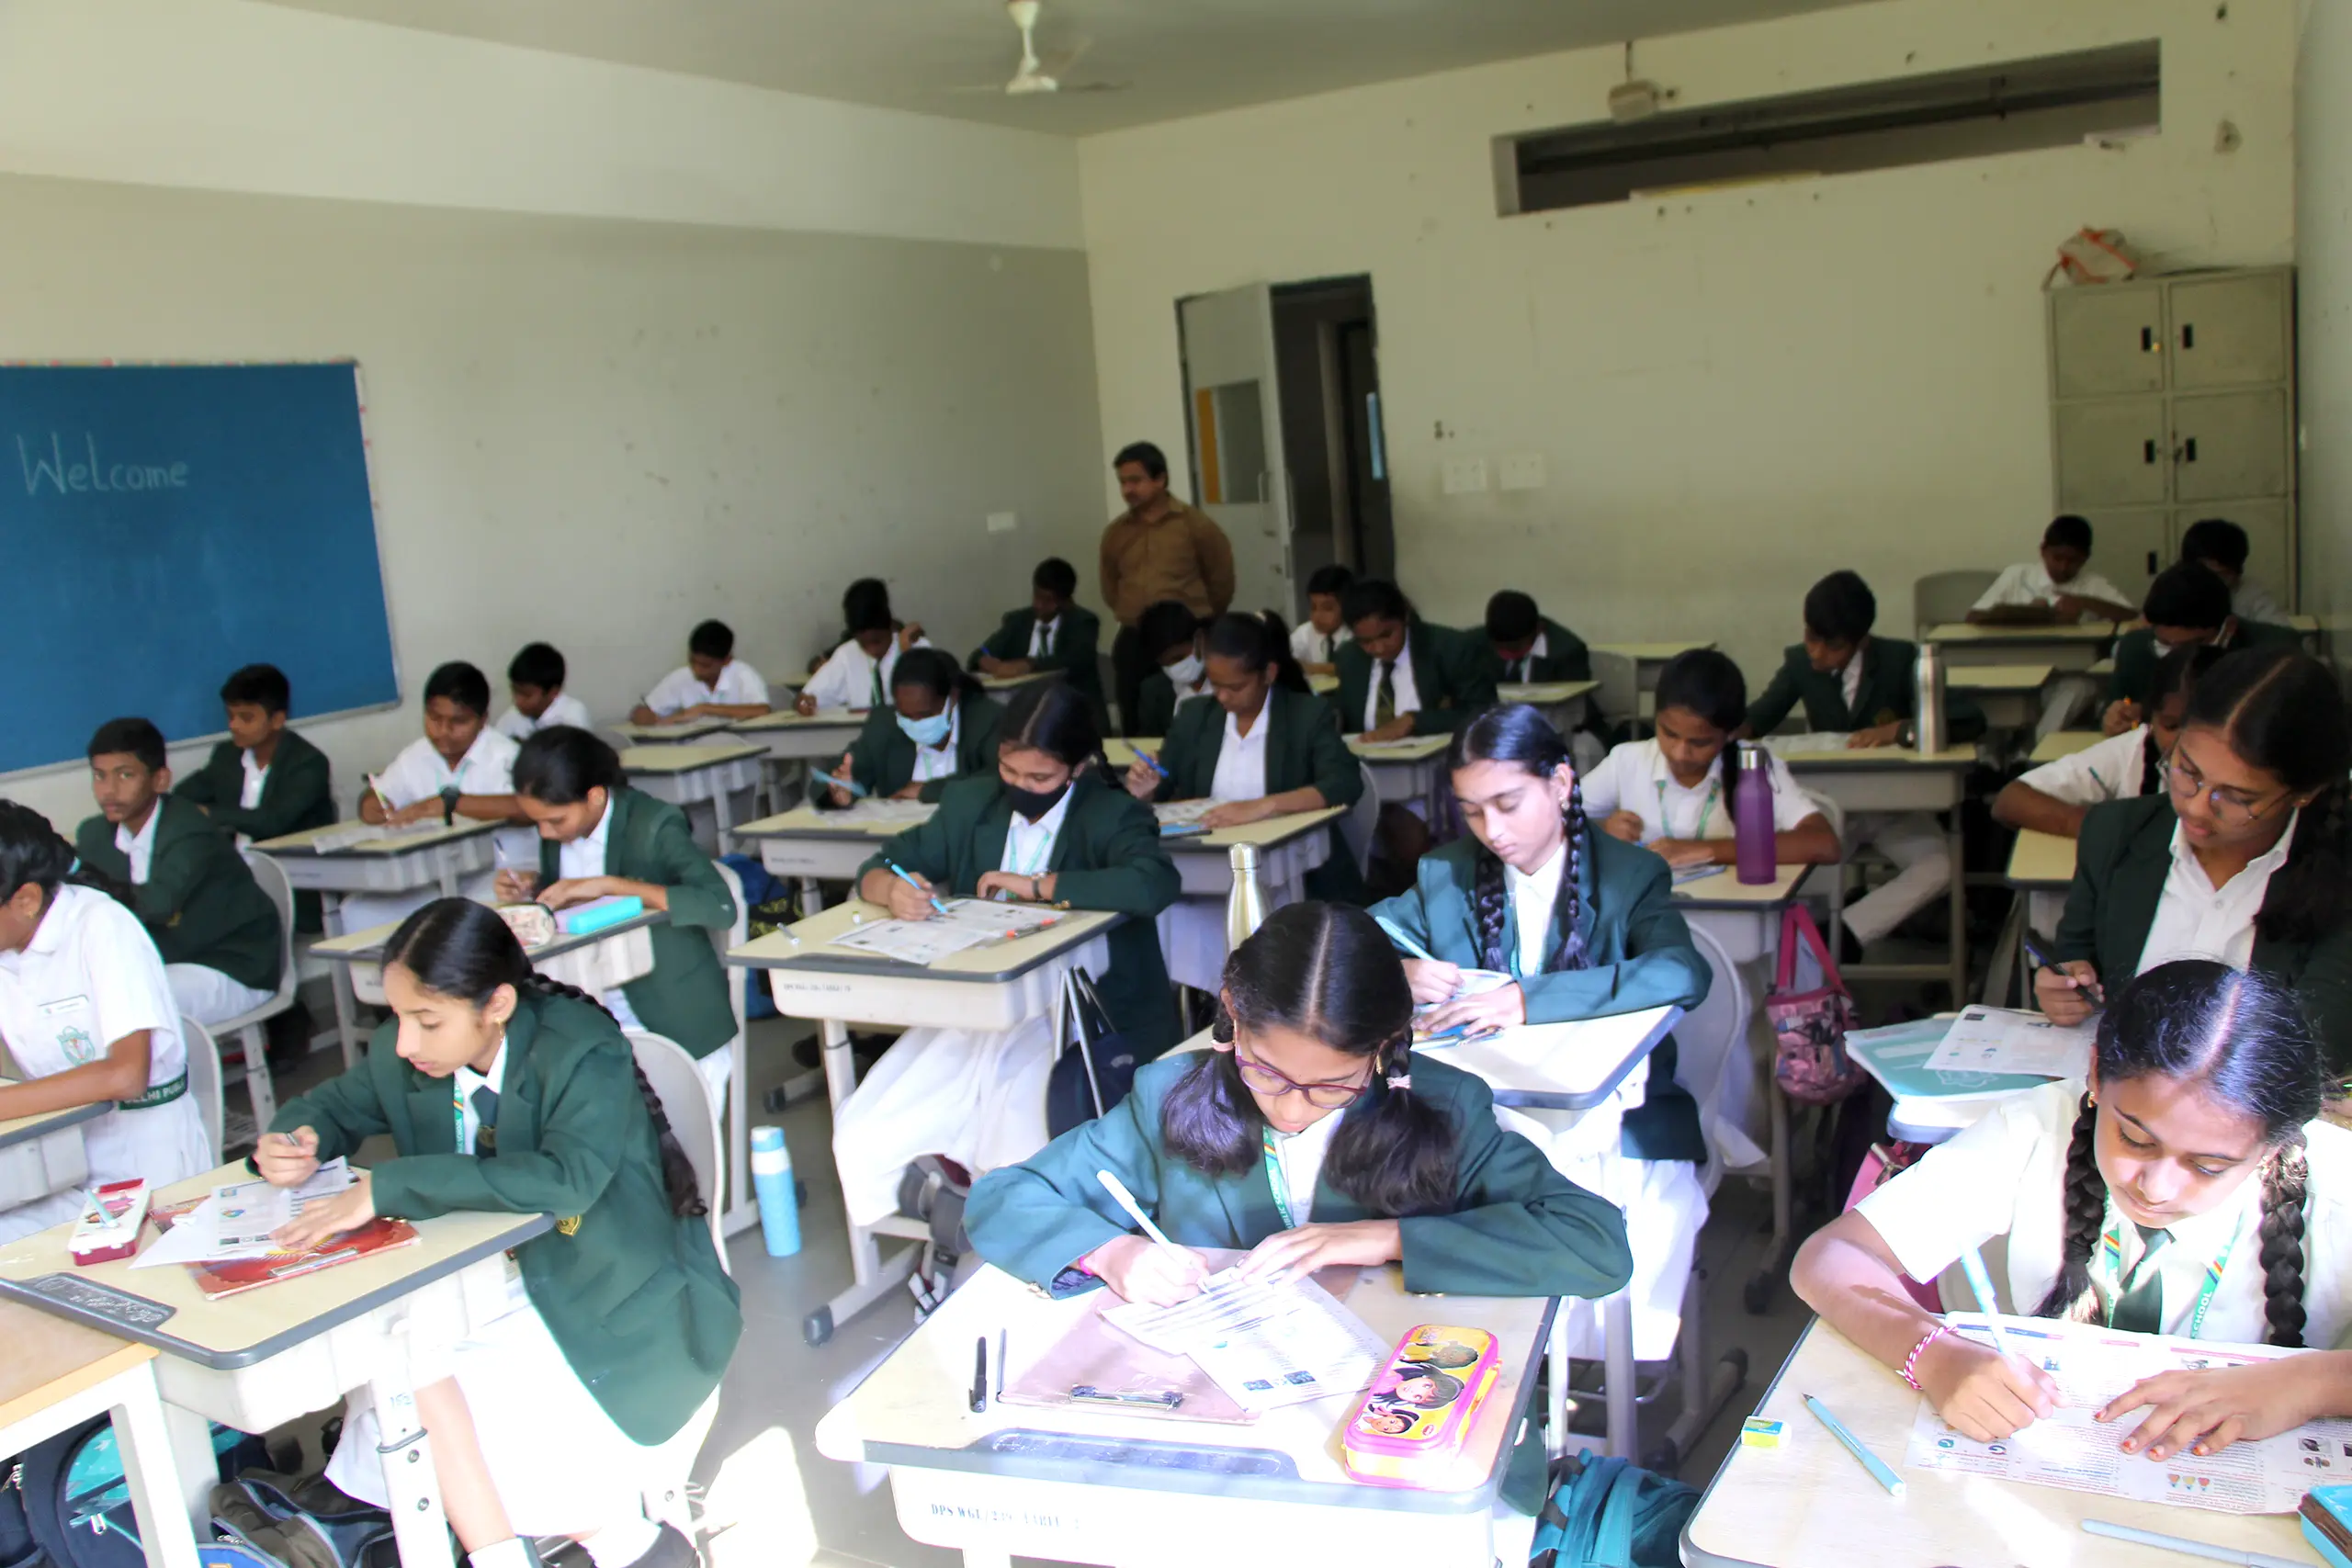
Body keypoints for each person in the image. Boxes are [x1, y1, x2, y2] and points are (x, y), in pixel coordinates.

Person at [257, 899, 740, 1568]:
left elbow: (565, 1178)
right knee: (407, 1367)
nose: (404, 1042)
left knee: (421, 1387)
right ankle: (587, 1545)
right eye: (395, 1017)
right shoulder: (409, 1056)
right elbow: (336, 1105)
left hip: (607, 1287)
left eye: (426, 1020)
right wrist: (294, 1137)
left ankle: (598, 1540)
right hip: (493, 1281)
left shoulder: (577, 1047)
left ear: (498, 1003)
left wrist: (388, 1187)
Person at [1793, 962, 2352, 1462]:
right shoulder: (2034, 1129)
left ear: (2274, 1147)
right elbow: (1830, 1257)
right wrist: (1935, 1354)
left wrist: (2309, 1385)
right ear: (2094, 1075)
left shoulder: (2338, 1183)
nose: (2155, 1187)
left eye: (2207, 1166)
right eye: (2134, 1139)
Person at [965, 901, 1634, 1308]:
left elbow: (1596, 1244)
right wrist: (1111, 1253)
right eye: (1267, 1071)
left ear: (1384, 1047)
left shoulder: (1447, 1106)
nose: (1290, 1107)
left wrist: (1384, 1238)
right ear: (1231, 1016)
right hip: (1224, 1397)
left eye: (1332, 1084)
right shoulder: (1168, 1097)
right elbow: (1002, 1197)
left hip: (1393, 1404)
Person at [1369, 705, 1711, 1360]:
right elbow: (1353, 938)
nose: (1491, 830)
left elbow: (1681, 970)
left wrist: (1527, 998)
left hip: (1611, 1117)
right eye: (1471, 810)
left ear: (1560, 783)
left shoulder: (1629, 874)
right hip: (1474, 1122)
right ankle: (1486, 1373)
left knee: (1603, 1217)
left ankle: (1564, 1382)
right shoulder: (1446, 874)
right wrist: (1399, 967)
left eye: (1508, 803)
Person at [831, 682, 1182, 1227]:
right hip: (986, 1006)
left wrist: (1038, 887)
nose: (1021, 787)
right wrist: (890, 888)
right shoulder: (971, 803)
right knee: (875, 1121)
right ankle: (954, 1201)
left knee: (1018, 1124)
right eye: (1009, 771)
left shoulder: (1112, 814)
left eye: (1039, 778)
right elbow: (882, 864)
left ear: (1078, 765)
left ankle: (1011, 1221)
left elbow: (1152, 884)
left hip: (1082, 1016)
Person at [2042, 648, 2352, 1074]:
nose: (2199, 808)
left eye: (2238, 798)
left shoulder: (2337, 874)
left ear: (2305, 792)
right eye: (2188, 772)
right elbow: (2076, 959)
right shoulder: (2114, 834)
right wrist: (2065, 988)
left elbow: (2319, 1045)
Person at [0, 803, 212, 1244]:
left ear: (26, 899)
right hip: (63, 1162)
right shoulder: (8, 945)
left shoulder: (102, 926)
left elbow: (126, 1074)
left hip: (149, 1170)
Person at [1746, 570, 1985, 958]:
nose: (1817, 652)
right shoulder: (1798, 664)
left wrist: (1902, 730)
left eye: (1833, 645)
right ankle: (1795, 955)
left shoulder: (1901, 660)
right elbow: (1756, 719)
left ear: (1861, 640)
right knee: (1792, 873)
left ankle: (1847, 933)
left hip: (1894, 808)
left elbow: (1970, 719)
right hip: (1828, 812)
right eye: (1811, 637)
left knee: (1939, 867)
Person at [497, 728, 741, 1107]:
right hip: (592, 1006)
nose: (545, 832)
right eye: (537, 823)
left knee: (677, 1142)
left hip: (670, 1012)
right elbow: (575, 901)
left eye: (555, 821)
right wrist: (535, 890)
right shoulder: (559, 831)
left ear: (595, 796)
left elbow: (718, 905)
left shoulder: (654, 824)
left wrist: (610, 885)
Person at [1125, 612, 1366, 987]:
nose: (1221, 697)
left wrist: (1262, 806)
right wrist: (1146, 788)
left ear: (1268, 674)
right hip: (1204, 870)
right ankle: (1210, 1005)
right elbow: (1167, 787)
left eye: (1234, 687)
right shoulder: (1194, 717)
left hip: (1293, 870)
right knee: (1167, 910)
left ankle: (1260, 998)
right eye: (1215, 685)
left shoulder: (1304, 715)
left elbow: (1344, 784)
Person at [1994, 644, 2219, 938]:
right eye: (2171, 725)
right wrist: (2112, 829)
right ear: (2151, 720)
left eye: (2200, 726)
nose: (2182, 742)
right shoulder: (2135, 750)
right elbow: (2011, 799)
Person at [74, 717, 282, 1028]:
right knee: (77, 1000)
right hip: (164, 961)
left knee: (131, 1002)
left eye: (125, 775)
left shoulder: (190, 831)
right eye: (100, 776)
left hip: (229, 964)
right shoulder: (93, 834)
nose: (109, 790)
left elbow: (157, 905)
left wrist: (86, 885)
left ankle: (154, 1077)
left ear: (160, 780)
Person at [1583, 649, 1838, 874]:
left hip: (1735, 918)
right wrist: (1600, 832)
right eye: (1669, 733)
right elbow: (1549, 820)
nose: (1680, 753)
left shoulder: (1752, 766)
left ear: (1730, 734)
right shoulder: (1628, 761)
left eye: (1699, 743)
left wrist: (1704, 850)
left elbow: (1823, 844)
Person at [345, 661, 528, 930]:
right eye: (434, 719)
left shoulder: (506, 756)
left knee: (465, 917)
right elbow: (377, 796)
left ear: (483, 719)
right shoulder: (416, 755)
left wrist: (450, 804)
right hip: (435, 878)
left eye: (458, 721)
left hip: (501, 874)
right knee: (359, 910)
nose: (443, 731)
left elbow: (526, 808)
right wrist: (372, 805)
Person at [1100, 441, 1236, 735]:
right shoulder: (1116, 533)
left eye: (1135, 480)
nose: (1127, 490)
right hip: (1136, 639)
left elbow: (1221, 579)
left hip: (1186, 640)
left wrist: (1200, 621)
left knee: (1196, 718)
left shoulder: (1195, 525)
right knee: (1136, 719)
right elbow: (1110, 586)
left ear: (1160, 479)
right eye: (1123, 482)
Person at [2102, 564, 2301, 735]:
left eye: (2190, 645)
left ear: (2228, 628)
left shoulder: (2275, 652)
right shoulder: (2136, 648)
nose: (2178, 655)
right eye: (2165, 644)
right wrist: (2118, 717)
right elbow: (2122, 704)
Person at [174, 663, 336, 852]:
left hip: (294, 870)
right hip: (235, 870)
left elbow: (273, 821)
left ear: (277, 720)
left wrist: (210, 813)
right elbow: (183, 794)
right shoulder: (226, 755)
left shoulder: (308, 763)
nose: (234, 725)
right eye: (230, 716)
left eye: (246, 718)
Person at [811, 649, 1005, 807]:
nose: (916, 723)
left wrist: (927, 790)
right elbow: (827, 778)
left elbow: (1000, 779)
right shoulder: (885, 724)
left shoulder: (987, 720)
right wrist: (837, 790)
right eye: (906, 716)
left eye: (926, 715)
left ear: (952, 697)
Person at [1331, 580, 1498, 740]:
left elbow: (1483, 713)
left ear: (1405, 617)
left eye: (1387, 635)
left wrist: (1415, 721)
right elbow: (1343, 721)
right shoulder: (1349, 658)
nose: (1378, 648)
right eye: (1366, 642)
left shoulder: (1449, 649)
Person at [970, 557, 1104, 718]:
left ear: (1066, 602)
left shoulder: (1083, 623)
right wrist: (984, 660)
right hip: (1023, 711)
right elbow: (980, 653)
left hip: (1071, 713)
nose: (1039, 605)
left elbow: (1075, 659)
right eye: (1037, 596)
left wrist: (1029, 664)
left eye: (1048, 600)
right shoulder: (1017, 621)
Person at [1966, 514, 2138, 625]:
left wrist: (2084, 603)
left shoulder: (2094, 584)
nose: (2063, 567)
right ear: (2043, 551)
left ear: (2086, 558)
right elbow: (1973, 617)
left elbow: (2134, 618)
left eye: (2073, 561)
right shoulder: (2017, 575)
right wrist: (2025, 614)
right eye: (2057, 558)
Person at [797, 581, 928, 715]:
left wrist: (908, 656)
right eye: (864, 644)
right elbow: (806, 697)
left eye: (877, 642)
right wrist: (803, 703)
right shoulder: (847, 654)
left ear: (889, 625)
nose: (873, 651)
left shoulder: (914, 647)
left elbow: (934, 698)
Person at [630, 620, 770, 727]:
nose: (697, 669)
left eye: (705, 665)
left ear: (726, 661)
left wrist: (704, 709)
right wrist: (647, 717)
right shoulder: (681, 676)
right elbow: (644, 711)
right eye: (692, 661)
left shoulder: (743, 674)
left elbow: (762, 710)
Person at [2181, 517, 2288, 627]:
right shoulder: (2172, 593)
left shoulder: (2251, 593)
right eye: (2207, 573)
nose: (2213, 582)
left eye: (2222, 575)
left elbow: (2282, 634)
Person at [1130, 600, 1212, 737]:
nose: (1175, 668)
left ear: (1200, 640)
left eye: (1180, 658)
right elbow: (1150, 740)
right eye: (1166, 664)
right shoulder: (1154, 692)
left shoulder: (1229, 679)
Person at [1483, 590, 1592, 684]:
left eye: (1515, 647)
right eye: (1501, 647)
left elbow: (1572, 705)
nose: (1508, 652)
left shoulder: (1567, 653)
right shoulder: (1475, 646)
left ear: (1538, 629)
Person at [494, 643, 592, 740]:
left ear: (553, 693)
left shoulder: (573, 716)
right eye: (514, 691)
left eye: (527, 695)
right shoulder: (512, 716)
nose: (518, 700)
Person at [1291, 564, 1355, 675]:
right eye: (1313, 607)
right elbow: (1286, 660)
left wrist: (1307, 668)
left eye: (1327, 608)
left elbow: (1346, 669)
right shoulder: (1305, 632)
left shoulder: (1355, 634)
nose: (1317, 616)